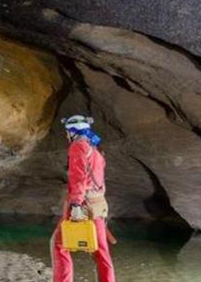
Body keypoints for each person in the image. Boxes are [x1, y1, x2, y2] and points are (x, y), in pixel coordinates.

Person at [51, 115, 115, 282]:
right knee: (101, 251)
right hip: (98, 205)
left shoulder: (77, 146)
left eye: (67, 131)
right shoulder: (95, 150)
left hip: (84, 205)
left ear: (73, 131)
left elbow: (78, 178)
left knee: (58, 245)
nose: (66, 135)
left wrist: (76, 204)